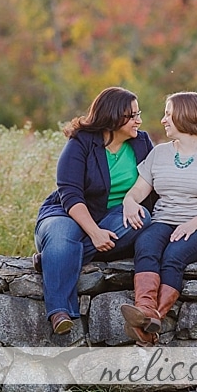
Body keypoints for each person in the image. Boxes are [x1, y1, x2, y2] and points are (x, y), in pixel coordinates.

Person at [33, 87, 157, 335]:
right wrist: (94, 232)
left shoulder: (142, 143)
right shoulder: (81, 143)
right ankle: (60, 312)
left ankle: (53, 259)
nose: (139, 120)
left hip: (114, 218)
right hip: (68, 213)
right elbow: (70, 193)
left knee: (142, 218)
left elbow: (156, 184)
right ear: (113, 117)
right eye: (132, 115)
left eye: (138, 114)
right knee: (61, 234)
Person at [119, 91, 197, 346]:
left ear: (185, 116)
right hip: (164, 220)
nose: (163, 120)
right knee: (146, 245)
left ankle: (153, 319)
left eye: (168, 115)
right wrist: (129, 201)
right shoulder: (159, 154)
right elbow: (140, 188)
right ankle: (146, 311)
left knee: (173, 256)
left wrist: (192, 224)